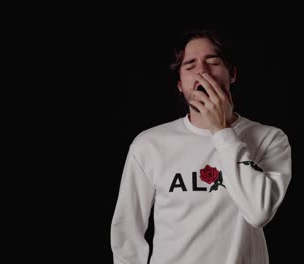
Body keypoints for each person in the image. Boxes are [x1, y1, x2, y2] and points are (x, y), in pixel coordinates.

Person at [110, 29, 292, 264]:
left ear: (232, 74)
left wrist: (223, 131)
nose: (202, 72)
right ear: (180, 85)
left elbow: (259, 212)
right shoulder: (149, 145)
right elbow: (127, 234)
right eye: (190, 66)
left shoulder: (270, 139)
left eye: (213, 62)